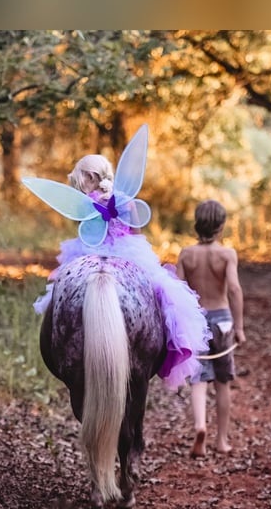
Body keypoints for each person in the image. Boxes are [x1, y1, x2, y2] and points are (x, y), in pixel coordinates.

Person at [30, 148, 211, 390]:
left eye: (80, 179)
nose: (78, 186)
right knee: (162, 292)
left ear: (92, 177)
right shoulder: (127, 200)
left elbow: (90, 236)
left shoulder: (85, 205)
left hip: (90, 253)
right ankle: (170, 345)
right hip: (129, 250)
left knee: (61, 291)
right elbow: (136, 233)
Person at [176, 199, 246, 457]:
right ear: (222, 226)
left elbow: (179, 292)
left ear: (197, 224)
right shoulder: (227, 255)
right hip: (223, 320)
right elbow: (235, 289)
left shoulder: (186, 254)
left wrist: (178, 325)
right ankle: (222, 440)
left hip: (196, 320)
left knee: (198, 378)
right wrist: (239, 326)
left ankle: (200, 426)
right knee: (223, 380)